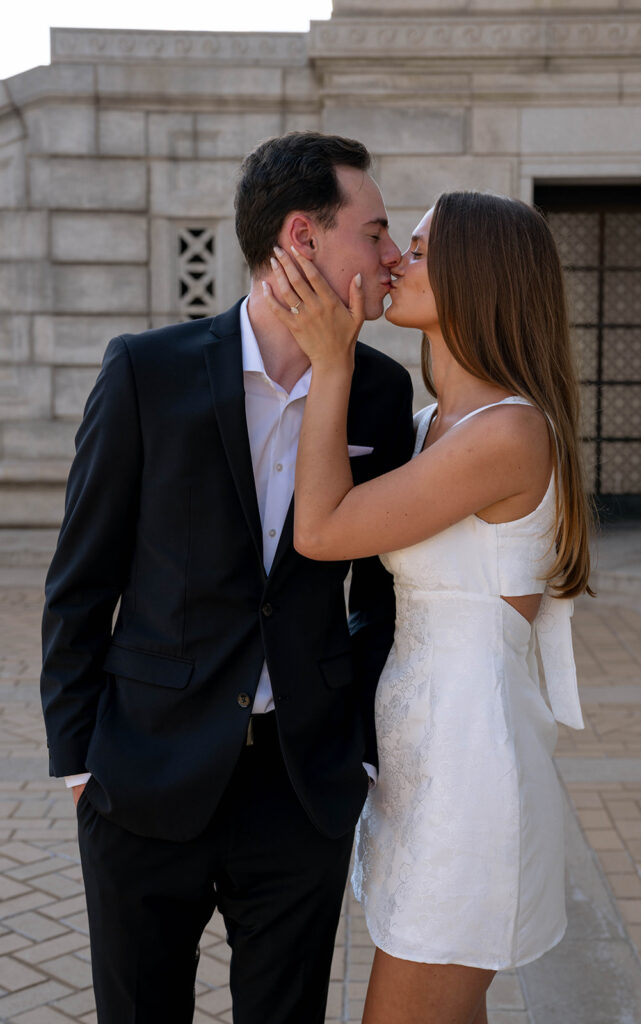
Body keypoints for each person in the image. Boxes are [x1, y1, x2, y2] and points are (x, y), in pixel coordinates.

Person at [40, 132, 415, 1024]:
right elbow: (80, 581)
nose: (391, 255)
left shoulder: (379, 393)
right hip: (142, 776)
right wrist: (80, 766)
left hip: (300, 787)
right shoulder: (146, 372)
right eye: (374, 231)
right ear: (302, 237)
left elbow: (386, 595)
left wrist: (353, 747)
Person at [263, 190, 593, 1024]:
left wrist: (331, 361)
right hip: (423, 757)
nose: (393, 263)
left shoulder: (506, 433)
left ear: (479, 276)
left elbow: (322, 529)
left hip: (469, 767)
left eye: (418, 248)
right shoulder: (429, 425)